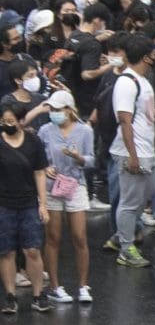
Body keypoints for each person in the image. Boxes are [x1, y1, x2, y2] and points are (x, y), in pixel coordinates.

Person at [37, 90, 93, 304]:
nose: (54, 113)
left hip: (75, 185)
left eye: (58, 110)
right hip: (52, 186)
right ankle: (54, 285)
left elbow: (91, 160)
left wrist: (78, 158)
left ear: (69, 110)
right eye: (51, 109)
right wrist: (46, 167)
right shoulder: (45, 130)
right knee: (53, 237)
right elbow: (39, 158)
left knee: (79, 237)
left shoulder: (84, 131)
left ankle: (83, 286)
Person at [109, 34, 155, 269]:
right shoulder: (127, 82)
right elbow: (125, 121)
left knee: (147, 193)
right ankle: (126, 247)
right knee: (130, 202)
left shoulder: (143, 81)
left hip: (147, 149)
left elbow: (142, 116)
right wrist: (132, 155)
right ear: (147, 56)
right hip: (134, 150)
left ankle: (122, 233)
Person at [0, 102, 49, 315]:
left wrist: (43, 204)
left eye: (11, 121)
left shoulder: (34, 142)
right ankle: (10, 296)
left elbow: (40, 173)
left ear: (21, 121)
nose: (7, 124)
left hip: (28, 203)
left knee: (32, 250)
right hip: (4, 204)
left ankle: (38, 294)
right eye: (3, 121)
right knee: (7, 251)